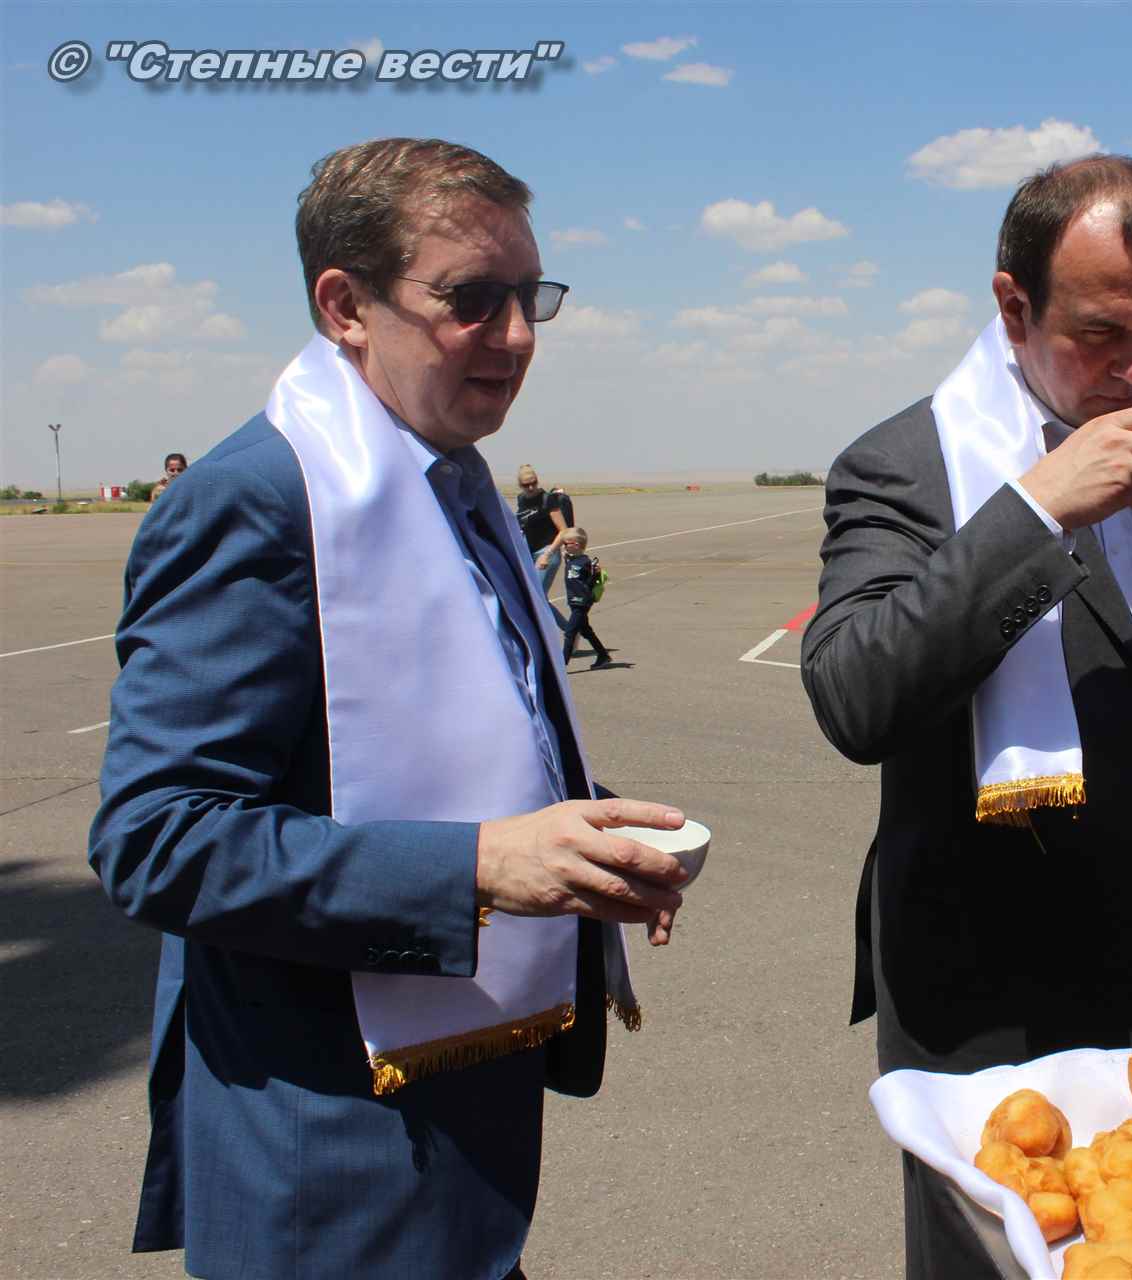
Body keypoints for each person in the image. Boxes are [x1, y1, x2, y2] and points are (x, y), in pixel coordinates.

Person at [88, 138, 691, 1279]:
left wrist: (584, 832)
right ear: (346, 305)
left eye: (531, 297)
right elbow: (156, 836)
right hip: (331, 1164)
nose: (517, 336)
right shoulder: (259, 502)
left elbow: (472, 741)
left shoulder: (454, 481)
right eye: (471, 299)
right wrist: (479, 867)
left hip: (460, 1137)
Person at [801, 154, 1132, 1279]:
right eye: (1102, 331)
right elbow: (854, 693)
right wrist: (1038, 509)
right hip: (985, 993)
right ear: (1013, 306)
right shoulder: (907, 466)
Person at [558, 526, 614, 669]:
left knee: (570, 632)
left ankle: (561, 665)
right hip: (574, 601)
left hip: (581, 602)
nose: (563, 547)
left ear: (576, 545)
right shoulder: (571, 559)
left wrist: (596, 573)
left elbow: (593, 581)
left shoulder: (585, 562)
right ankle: (603, 655)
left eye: (566, 544)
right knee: (586, 630)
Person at [516, 462, 569, 598]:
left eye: (533, 483)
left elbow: (563, 530)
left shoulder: (548, 499)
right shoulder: (521, 499)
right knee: (533, 597)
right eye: (526, 485)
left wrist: (547, 554)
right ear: (520, 485)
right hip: (529, 552)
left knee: (537, 596)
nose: (531, 487)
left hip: (547, 551)